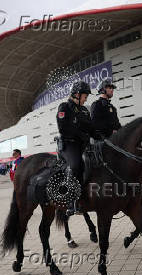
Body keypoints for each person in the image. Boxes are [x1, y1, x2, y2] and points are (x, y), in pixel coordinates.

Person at [57, 81, 94, 215]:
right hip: (69, 144)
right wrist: (82, 135)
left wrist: (104, 138)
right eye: (85, 96)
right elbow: (63, 128)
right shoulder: (64, 107)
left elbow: (91, 128)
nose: (86, 99)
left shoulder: (84, 110)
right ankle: (71, 201)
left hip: (84, 143)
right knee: (76, 165)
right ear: (77, 95)